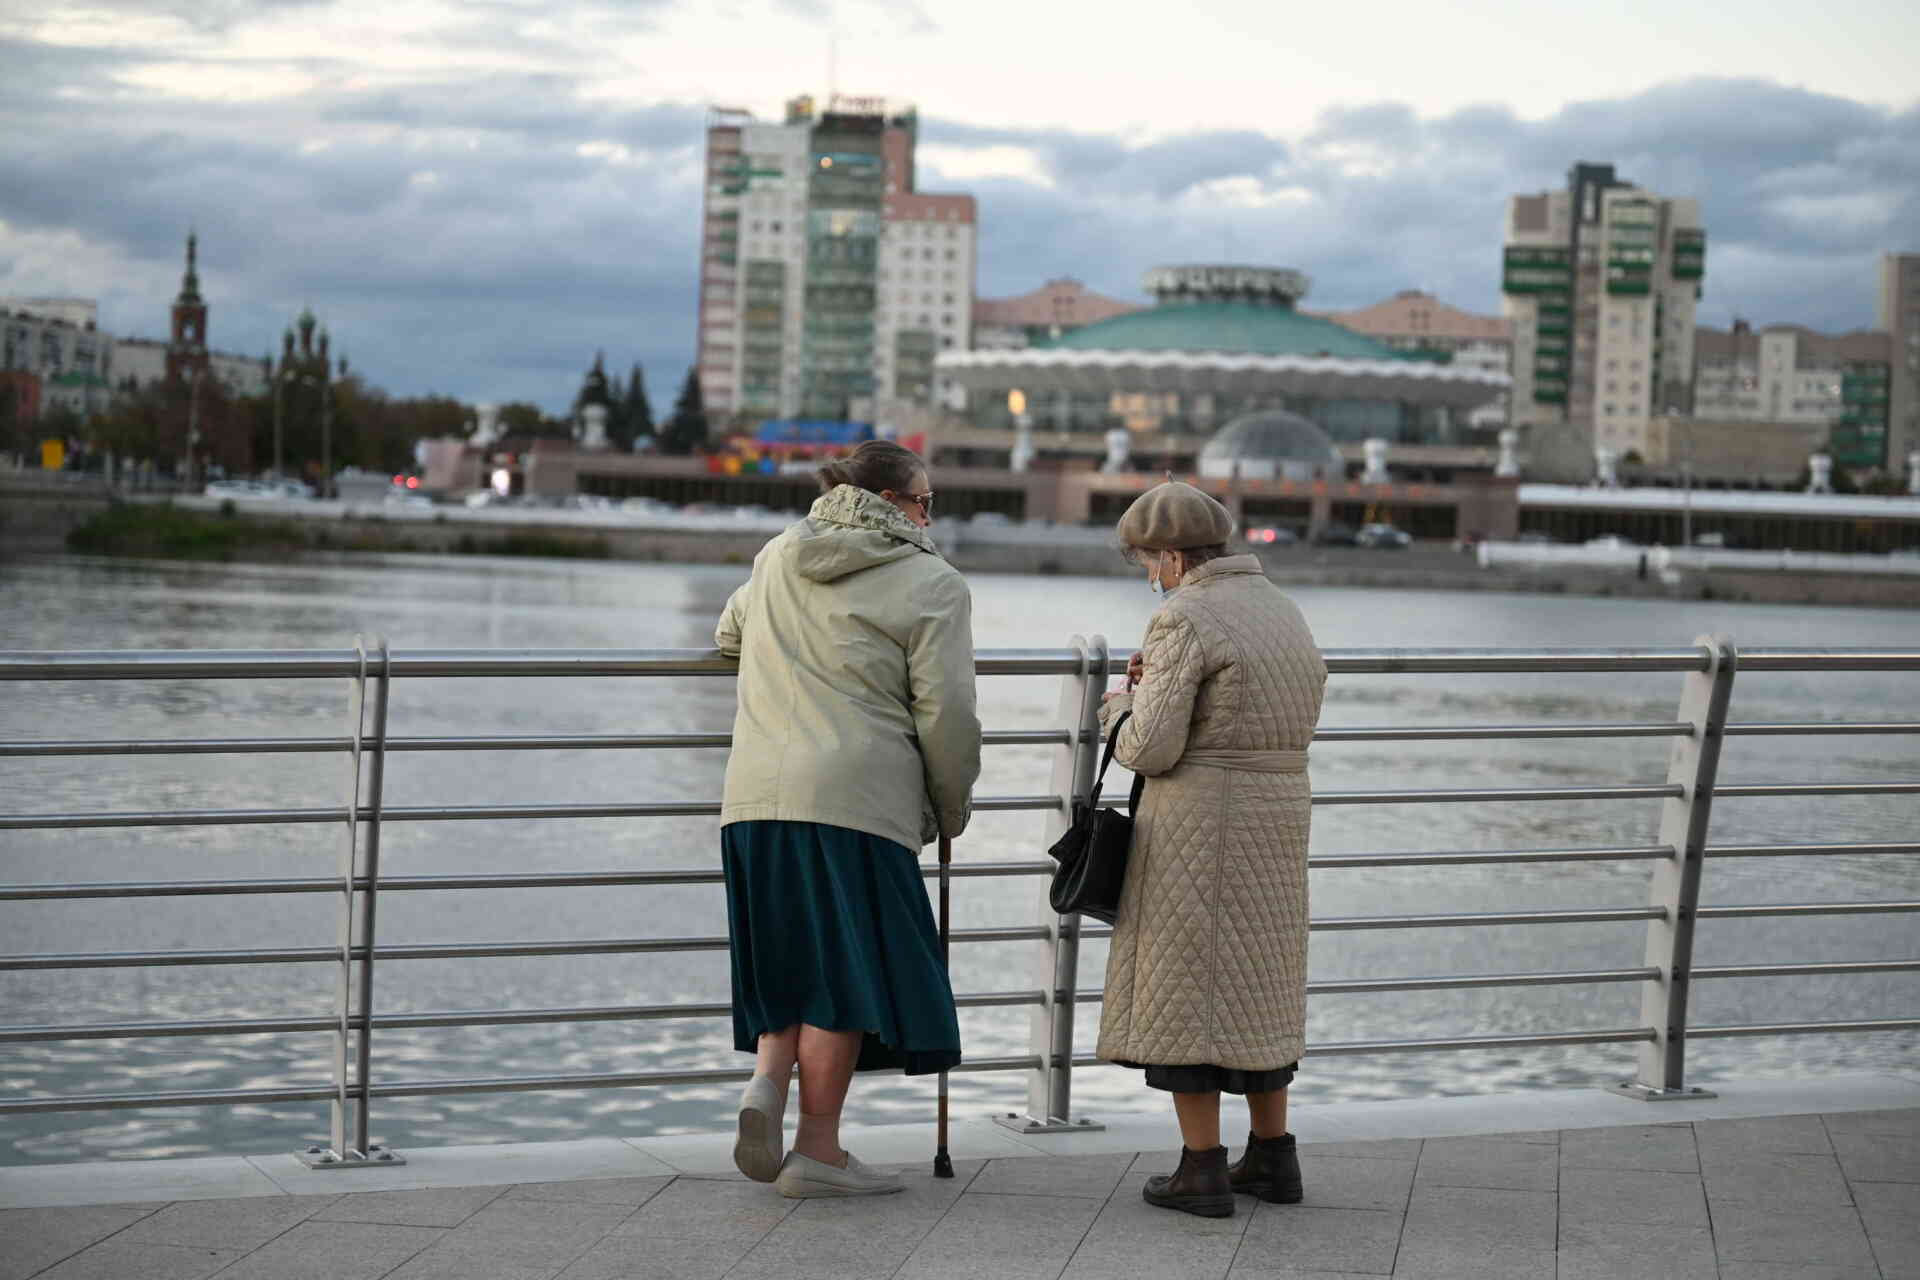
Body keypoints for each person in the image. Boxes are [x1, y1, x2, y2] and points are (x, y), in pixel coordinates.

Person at [714, 440, 981, 1199]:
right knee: (843, 972)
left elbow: (729, 636)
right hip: (858, 798)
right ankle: (818, 1152)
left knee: (789, 954)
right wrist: (951, 804)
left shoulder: (778, 555)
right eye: (927, 501)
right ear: (896, 503)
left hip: (755, 794)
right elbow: (949, 712)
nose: (932, 516)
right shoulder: (932, 580)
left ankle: (766, 1082)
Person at [1097, 481, 1327, 1218]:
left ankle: (1202, 1169)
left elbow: (1150, 747)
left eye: (1147, 564)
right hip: (1279, 812)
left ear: (1171, 556)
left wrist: (1118, 704)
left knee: (1185, 988)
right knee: (1259, 982)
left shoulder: (1184, 617)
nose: (1148, 577)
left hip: (1201, 820)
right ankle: (1273, 1157)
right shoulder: (1280, 609)